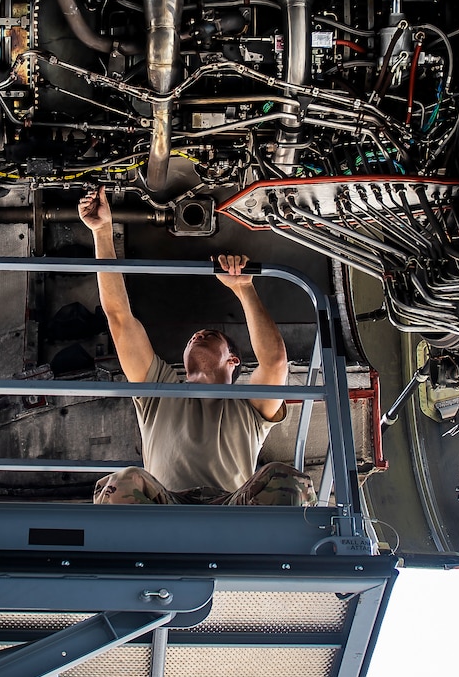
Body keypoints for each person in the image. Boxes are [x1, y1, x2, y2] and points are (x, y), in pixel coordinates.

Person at [76, 187, 314, 506]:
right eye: (195, 337)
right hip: (167, 507)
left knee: (288, 479)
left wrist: (244, 288)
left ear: (233, 360)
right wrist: (103, 231)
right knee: (121, 483)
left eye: (210, 335)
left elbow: (274, 363)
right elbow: (119, 319)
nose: (197, 334)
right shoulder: (158, 391)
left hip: (231, 508)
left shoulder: (250, 408)